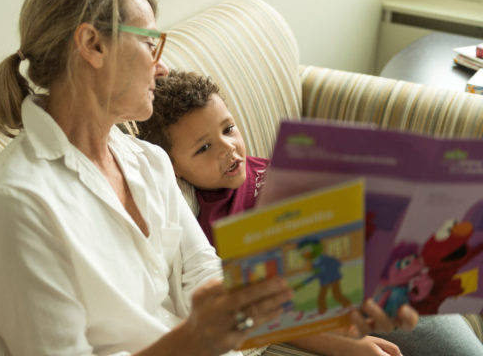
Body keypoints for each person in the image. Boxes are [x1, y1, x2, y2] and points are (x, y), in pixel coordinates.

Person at [0, 0, 418, 356]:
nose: (161, 66)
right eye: (150, 44)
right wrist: (198, 337)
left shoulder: (146, 161)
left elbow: (204, 272)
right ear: (92, 45)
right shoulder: (17, 205)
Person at [136, 70, 483, 356]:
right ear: (172, 167)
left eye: (228, 129)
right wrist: (351, 346)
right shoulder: (210, 226)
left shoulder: (264, 168)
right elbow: (272, 315)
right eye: (204, 147)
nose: (229, 149)